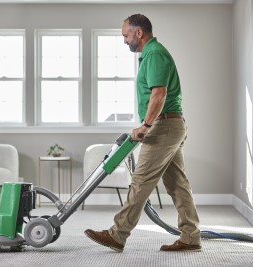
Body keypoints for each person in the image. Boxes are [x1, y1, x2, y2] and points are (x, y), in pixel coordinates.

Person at [84, 14, 202, 252]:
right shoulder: (151, 55)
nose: (125, 40)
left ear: (139, 32)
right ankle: (191, 237)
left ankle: (118, 234)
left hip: (163, 126)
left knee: (140, 181)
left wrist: (146, 125)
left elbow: (159, 93)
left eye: (126, 35)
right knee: (178, 185)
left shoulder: (155, 53)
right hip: (171, 124)